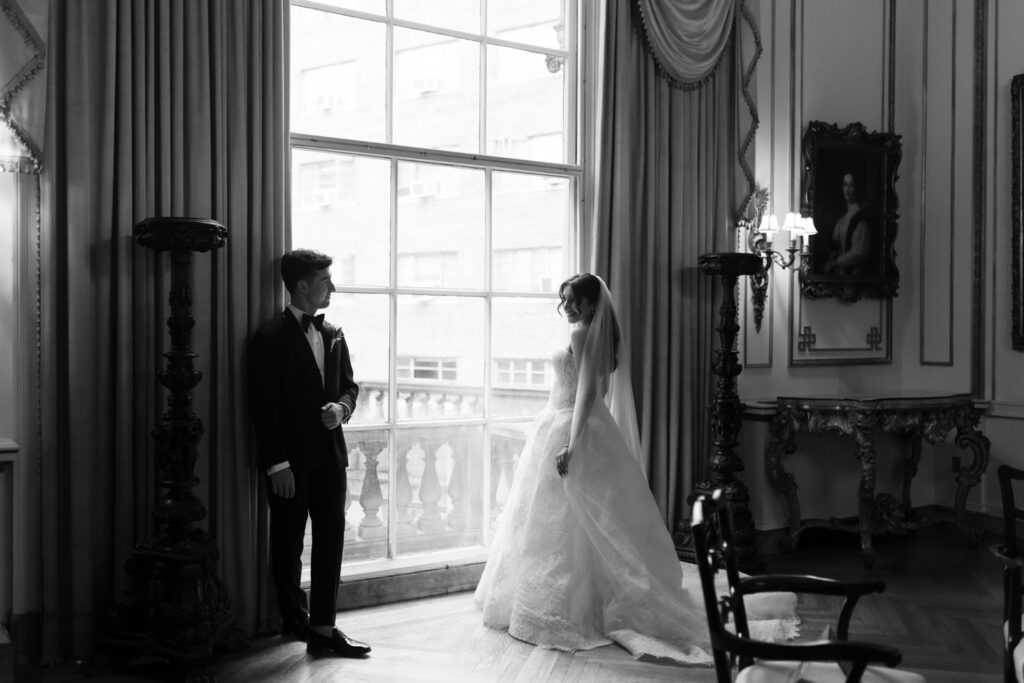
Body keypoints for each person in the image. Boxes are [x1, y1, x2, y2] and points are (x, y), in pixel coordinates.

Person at [475, 273, 798, 665]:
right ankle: (592, 595)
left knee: (569, 521)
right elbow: (598, 392)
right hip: (591, 427)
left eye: (575, 300)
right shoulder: (604, 337)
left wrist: (570, 444)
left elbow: (587, 394)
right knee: (589, 522)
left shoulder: (581, 336)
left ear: (593, 304)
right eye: (565, 300)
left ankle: (564, 606)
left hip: (571, 426)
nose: (569, 308)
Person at [248, 249, 371, 658]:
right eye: (325, 282)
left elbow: (351, 387)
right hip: (290, 464)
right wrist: (278, 464)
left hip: (331, 459)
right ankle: (293, 622)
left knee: (332, 539)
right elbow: (262, 408)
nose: (332, 287)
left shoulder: (334, 332)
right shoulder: (269, 338)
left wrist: (342, 408)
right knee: (287, 545)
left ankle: (323, 626)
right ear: (302, 285)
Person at [824, 171, 871, 276]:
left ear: (857, 188)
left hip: (855, 274)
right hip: (841, 274)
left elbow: (858, 252)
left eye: (851, 185)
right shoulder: (842, 219)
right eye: (845, 185)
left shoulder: (860, 217)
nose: (847, 190)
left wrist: (835, 263)